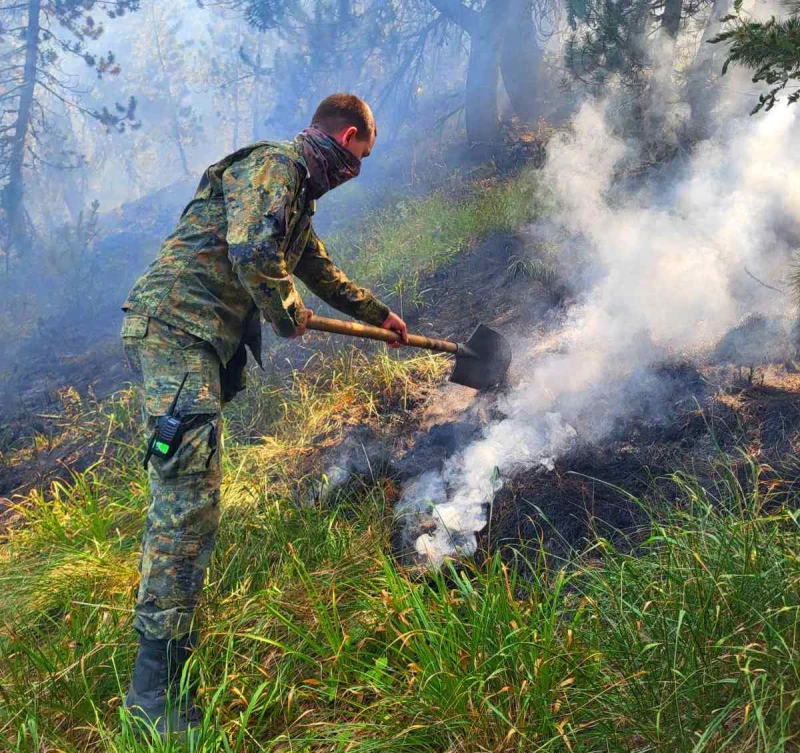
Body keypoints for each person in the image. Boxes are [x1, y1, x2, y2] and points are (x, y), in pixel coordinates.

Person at [119, 93, 408, 735]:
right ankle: (151, 696)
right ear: (350, 136)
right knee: (187, 498)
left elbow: (315, 268)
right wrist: (283, 314)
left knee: (189, 493)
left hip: (194, 339)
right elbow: (253, 252)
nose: (352, 173)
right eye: (357, 159)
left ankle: (167, 657)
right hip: (176, 330)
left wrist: (377, 315)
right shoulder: (274, 167)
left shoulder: (294, 196)